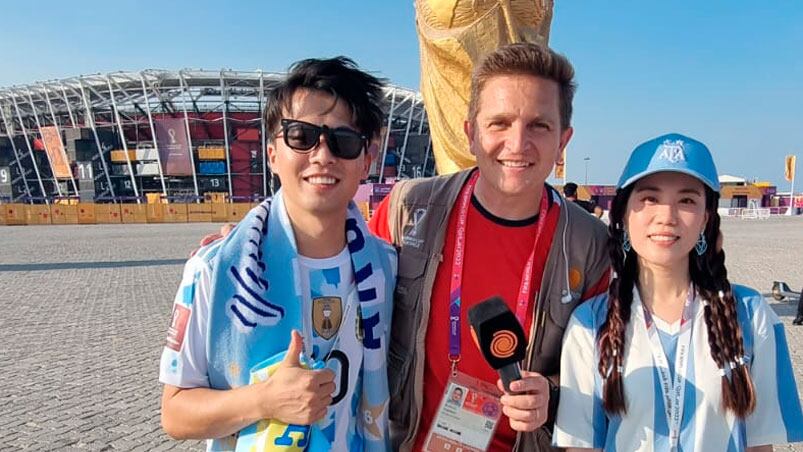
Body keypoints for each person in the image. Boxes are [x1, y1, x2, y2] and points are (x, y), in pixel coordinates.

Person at [369, 43, 610, 451]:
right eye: (499, 123)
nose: (517, 144)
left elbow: (604, 372)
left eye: (539, 125)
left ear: (563, 140)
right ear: (470, 133)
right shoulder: (407, 211)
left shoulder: (588, 244)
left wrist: (551, 396)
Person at [159, 57, 397, 451]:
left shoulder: (388, 269)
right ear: (272, 153)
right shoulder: (215, 270)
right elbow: (175, 413)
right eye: (302, 136)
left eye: (344, 140)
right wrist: (264, 399)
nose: (323, 155)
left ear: (366, 161)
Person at [555, 133, 803, 451]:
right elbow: (581, 445)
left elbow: (759, 443)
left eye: (686, 200)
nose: (667, 216)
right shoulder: (590, 323)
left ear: (705, 218)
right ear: (624, 215)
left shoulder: (752, 314)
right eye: (650, 198)